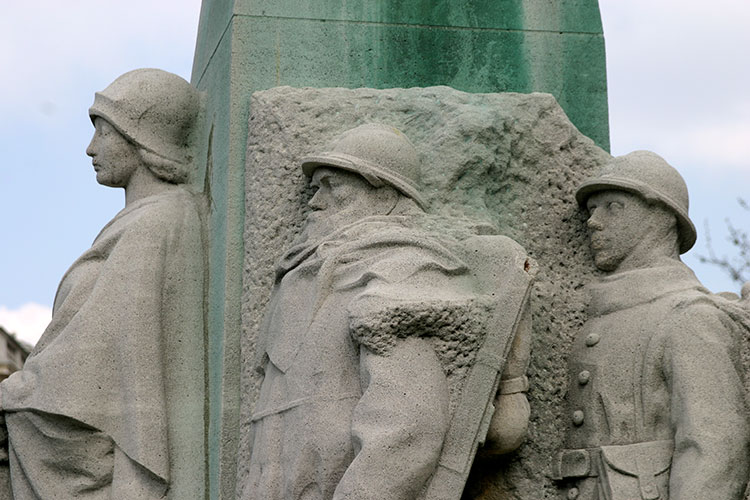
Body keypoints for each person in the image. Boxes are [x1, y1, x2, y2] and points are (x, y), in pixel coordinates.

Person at [243, 123, 534, 500]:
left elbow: (408, 431)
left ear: (384, 194)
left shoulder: (402, 273)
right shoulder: (306, 276)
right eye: (316, 188)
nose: (315, 201)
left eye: (333, 186)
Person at [0, 69, 206, 499]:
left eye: (104, 133)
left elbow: (99, 353)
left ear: (141, 138)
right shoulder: (150, 218)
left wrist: (15, 391)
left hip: (92, 442)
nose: (91, 148)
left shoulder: (153, 223)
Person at [557, 151, 750, 500]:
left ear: (661, 218)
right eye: (591, 210)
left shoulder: (689, 316)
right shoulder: (610, 312)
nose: (593, 222)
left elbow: (713, 451)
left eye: (613, 207)